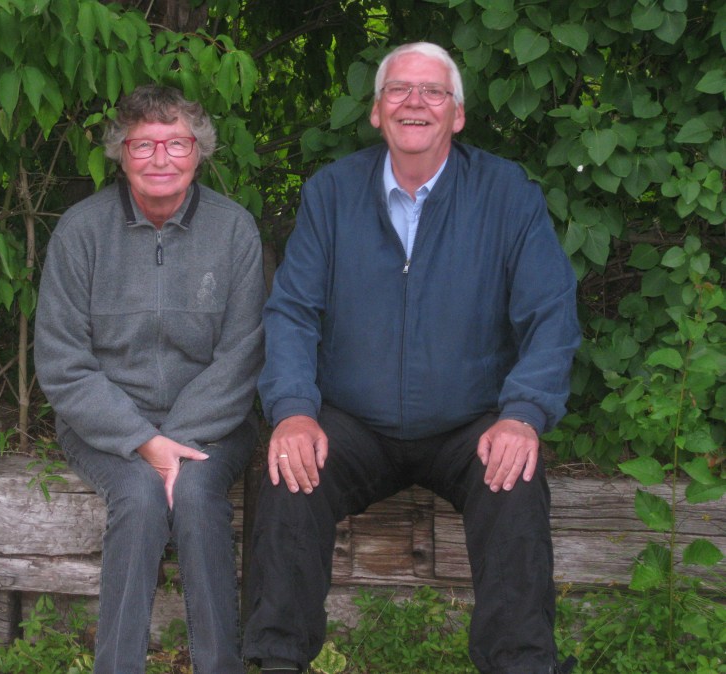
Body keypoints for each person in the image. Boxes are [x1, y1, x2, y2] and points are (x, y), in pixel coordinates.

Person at [241, 42, 581, 674]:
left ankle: (522, 664)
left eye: (433, 91)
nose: (414, 102)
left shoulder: (506, 193)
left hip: (468, 423)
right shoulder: (332, 193)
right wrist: (292, 410)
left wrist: (523, 413)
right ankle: (276, 660)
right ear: (377, 111)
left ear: (457, 114)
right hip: (354, 422)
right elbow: (291, 312)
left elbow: (551, 313)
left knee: (515, 479)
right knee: (289, 470)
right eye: (398, 89)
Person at [34, 84, 265, 674]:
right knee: (137, 496)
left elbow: (243, 356)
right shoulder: (81, 231)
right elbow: (63, 362)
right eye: (144, 145)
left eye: (176, 143)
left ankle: (220, 666)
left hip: (214, 422)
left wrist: (175, 443)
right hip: (107, 427)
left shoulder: (234, 229)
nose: (161, 158)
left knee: (196, 494)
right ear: (121, 153)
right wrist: (144, 442)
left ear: (198, 150)